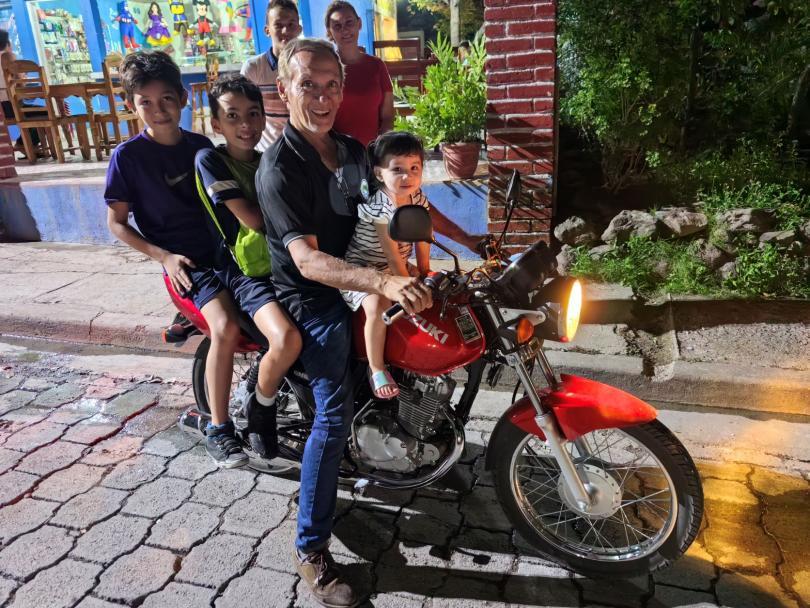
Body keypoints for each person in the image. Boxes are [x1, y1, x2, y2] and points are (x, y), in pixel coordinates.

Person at [256, 38, 432, 608]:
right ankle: (310, 548)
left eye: (333, 83)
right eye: (309, 84)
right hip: (313, 295)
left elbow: (402, 201)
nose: (324, 96)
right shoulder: (280, 167)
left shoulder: (355, 150)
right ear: (284, 91)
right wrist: (383, 281)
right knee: (331, 417)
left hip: (363, 277)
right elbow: (305, 259)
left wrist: (464, 244)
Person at [105, 51, 246, 468]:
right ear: (132, 106)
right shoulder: (127, 158)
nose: (157, 110)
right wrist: (163, 256)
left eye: (166, 98)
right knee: (225, 327)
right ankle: (219, 428)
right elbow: (117, 223)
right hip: (186, 264)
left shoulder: (201, 147)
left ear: (183, 98)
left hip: (226, 253)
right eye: (145, 102)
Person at [195, 73, 302, 458]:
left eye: (252, 114)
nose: (245, 125)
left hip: (283, 264)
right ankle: (253, 413)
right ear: (216, 124)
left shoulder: (266, 160)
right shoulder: (210, 160)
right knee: (286, 338)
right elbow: (253, 218)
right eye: (233, 115)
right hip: (245, 274)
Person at [341, 131, 436, 399]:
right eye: (398, 169)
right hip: (365, 267)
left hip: (396, 264)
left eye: (414, 168)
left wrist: (425, 269)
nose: (407, 176)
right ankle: (376, 368)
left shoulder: (418, 198)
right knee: (376, 306)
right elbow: (392, 256)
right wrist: (406, 283)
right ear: (380, 173)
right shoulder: (381, 205)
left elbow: (425, 235)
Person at [324, 1, 394, 146]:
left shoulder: (377, 66)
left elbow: (387, 116)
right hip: (338, 154)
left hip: (372, 152)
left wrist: (381, 146)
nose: (344, 30)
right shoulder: (326, 69)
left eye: (349, 22)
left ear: (359, 23)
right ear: (329, 32)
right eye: (337, 26)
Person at [240, 0, 302, 150]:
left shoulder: (309, 66)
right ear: (267, 30)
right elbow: (242, 112)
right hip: (267, 154)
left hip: (305, 152)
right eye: (279, 25)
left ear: (299, 29)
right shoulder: (253, 69)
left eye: (291, 24)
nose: (285, 31)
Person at [0, 29, 47, 155]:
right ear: (8, 43)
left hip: (2, 108)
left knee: (31, 111)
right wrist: (23, 77)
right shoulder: (8, 57)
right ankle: (26, 145)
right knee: (45, 112)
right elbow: (21, 83)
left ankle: (25, 144)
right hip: (11, 106)